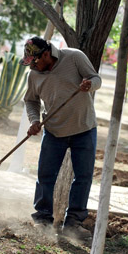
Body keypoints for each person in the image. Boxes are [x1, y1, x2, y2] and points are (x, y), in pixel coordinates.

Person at [21, 36, 101, 242]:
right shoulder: (34, 76)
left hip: (84, 128)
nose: (34, 66)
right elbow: (31, 100)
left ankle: (73, 224)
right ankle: (43, 220)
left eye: (36, 61)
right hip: (54, 131)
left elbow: (96, 79)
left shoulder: (74, 57)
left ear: (46, 54)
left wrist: (89, 84)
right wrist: (34, 120)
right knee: (45, 176)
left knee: (83, 178)